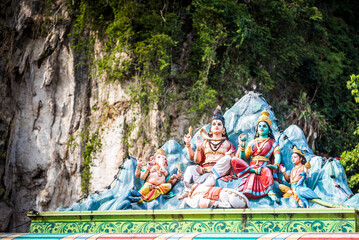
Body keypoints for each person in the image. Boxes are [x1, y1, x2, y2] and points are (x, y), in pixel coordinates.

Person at [179, 106, 237, 199]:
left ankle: (204, 177)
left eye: (219, 124)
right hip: (203, 170)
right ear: (210, 129)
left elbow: (234, 159)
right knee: (190, 168)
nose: (216, 126)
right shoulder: (205, 142)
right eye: (213, 124)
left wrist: (229, 154)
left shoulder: (227, 143)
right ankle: (187, 190)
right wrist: (192, 146)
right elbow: (196, 160)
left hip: (218, 171)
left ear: (223, 129)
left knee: (228, 159)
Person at [232, 108, 281, 203]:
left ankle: (270, 192)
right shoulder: (252, 143)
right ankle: (254, 171)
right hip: (252, 167)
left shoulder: (273, 143)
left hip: (265, 166)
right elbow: (244, 158)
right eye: (260, 126)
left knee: (266, 169)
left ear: (269, 129)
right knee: (234, 159)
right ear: (257, 129)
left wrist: (276, 165)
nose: (261, 128)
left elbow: (277, 155)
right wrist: (242, 147)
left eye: (264, 126)